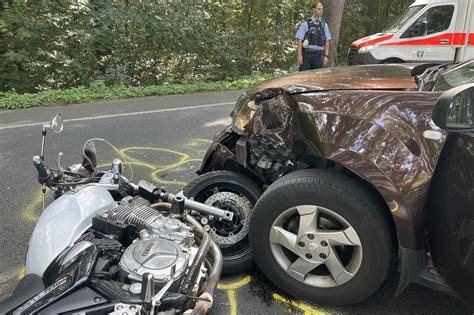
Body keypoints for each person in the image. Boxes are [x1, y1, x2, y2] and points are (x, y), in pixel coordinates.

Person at [295, 2, 332, 71]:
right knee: (303, 77)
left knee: (315, 79)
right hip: (306, 56)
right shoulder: (305, 24)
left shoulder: (324, 25)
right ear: (313, 10)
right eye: (319, 9)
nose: (321, 11)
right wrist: (299, 55)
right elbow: (299, 40)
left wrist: (326, 56)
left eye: (322, 9)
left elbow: (327, 41)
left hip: (318, 57)